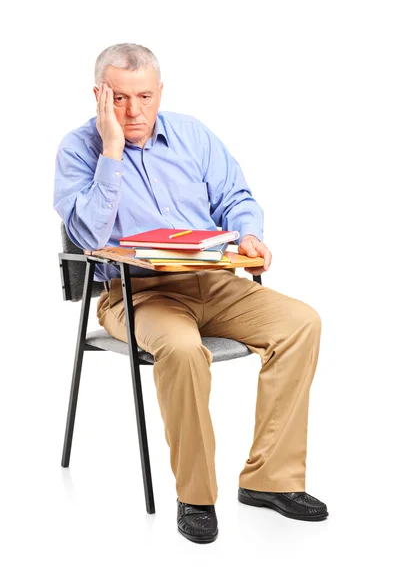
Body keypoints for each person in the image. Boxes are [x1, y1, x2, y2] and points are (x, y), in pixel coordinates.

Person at [54, 43, 328, 544]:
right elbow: (90, 237)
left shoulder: (193, 136)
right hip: (136, 295)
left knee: (300, 322)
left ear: (160, 93)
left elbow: (235, 197)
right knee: (182, 350)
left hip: (215, 281)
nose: (133, 111)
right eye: (118, 98)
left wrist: (248, 232)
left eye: (144, 97)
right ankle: (196, 496)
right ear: (99, 95)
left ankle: (270, 480)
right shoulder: (79, 149)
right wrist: (111, 150)